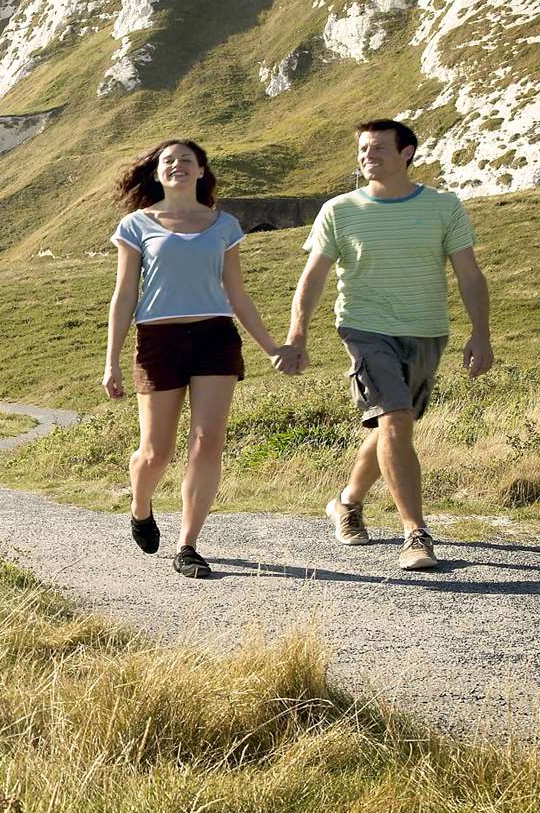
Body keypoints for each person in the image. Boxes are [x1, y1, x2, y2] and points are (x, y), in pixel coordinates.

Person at [281, 118, 493, 571]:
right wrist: (297, 334)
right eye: (363, 149)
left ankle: (346, 502)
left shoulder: (443, 206)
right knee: (395, 420)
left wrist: (481, 333)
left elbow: (469, 274)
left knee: (388, 429)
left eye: (378, 149)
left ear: (407, 153)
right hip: (363, 328)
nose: (367, 156)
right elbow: (313, 277)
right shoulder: (339, 210)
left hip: (427, 330)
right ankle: (415, 534)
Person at [102, 139, 292, 578]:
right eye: (169, 161)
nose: (178, 166)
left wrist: (271, 347)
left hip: (214, 337)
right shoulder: (135, 224)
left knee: (208, 441)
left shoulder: (224, 225)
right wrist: (111, 361)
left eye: (187, 160)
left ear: (202, 171)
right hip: (158, 339)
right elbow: (124, 294)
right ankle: (141, 505)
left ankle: (188, 545)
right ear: (157, 173)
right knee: (155, 452)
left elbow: (237, 294)